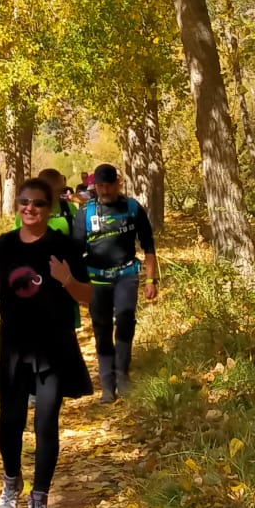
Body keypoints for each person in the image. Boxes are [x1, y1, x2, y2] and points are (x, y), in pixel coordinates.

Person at [0, 178, 94, 508]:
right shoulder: (5, 244)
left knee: (45, 423)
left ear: (49, 208)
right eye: (24, 201)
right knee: (10, 422)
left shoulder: (63, 246)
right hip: (14, 347)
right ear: (17, 204)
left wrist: (67, 279)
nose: (30, 208)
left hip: (54, 347)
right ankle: (11, 481)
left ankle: (39, 499)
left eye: (37, 203)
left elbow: (88, 297)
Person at [79, 163, 158, 401]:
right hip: (97, 279)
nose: (104, 190)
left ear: (117, 184)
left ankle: (123, 376)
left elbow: (148, 245)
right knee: (101, 328)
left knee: (124, 320)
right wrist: (78, 286)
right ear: (95, 187)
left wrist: (151, 279)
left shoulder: (132, 208)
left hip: (126, 274)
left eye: (109, 185)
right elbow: (74, 251)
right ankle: (107, 384)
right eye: (100, 186)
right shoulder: (85, 213)